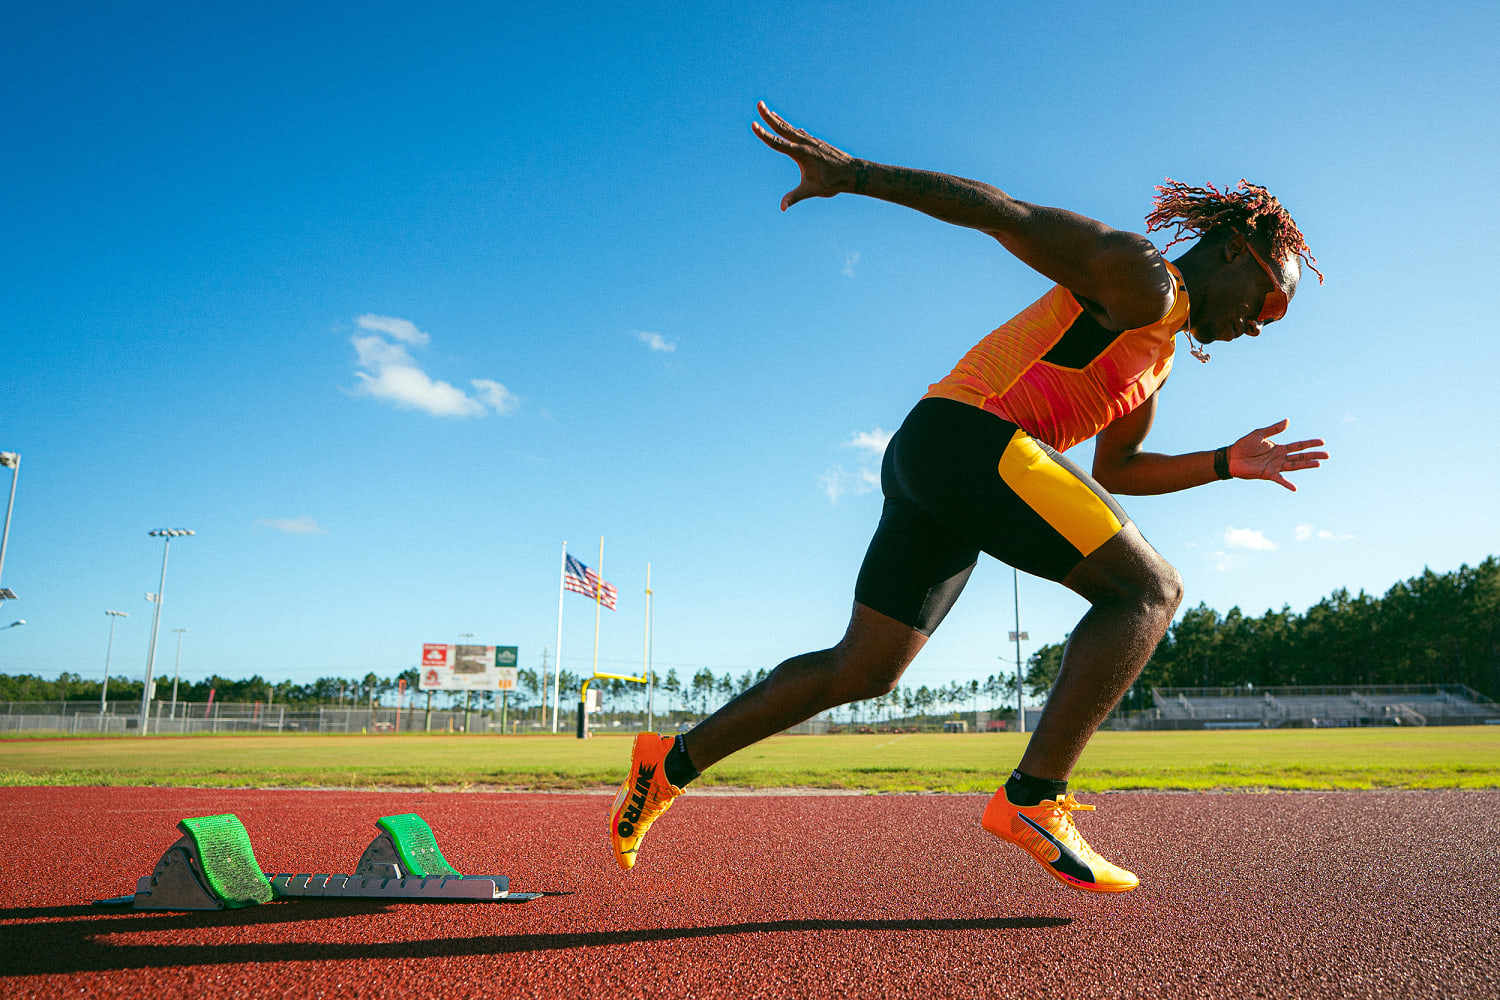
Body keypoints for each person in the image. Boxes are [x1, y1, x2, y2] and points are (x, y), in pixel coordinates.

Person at [609, 102, 1327, 893]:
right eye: (1270, 303)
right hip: (964, 439)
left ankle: (667, 762)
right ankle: (1035, 798)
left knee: (865, 668)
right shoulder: (1141, 275)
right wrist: (855, 175)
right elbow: (1004, 214)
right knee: (1149, 591)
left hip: (938, 461)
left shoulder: (1156, 358)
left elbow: (1121, 469)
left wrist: (1225, 462)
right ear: (1232, 250)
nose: (1261, 326)